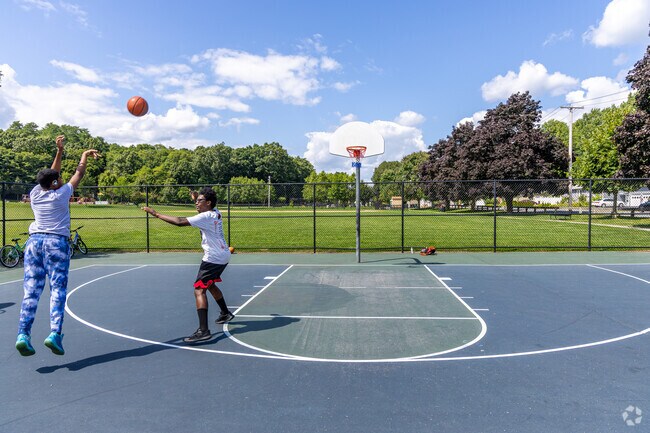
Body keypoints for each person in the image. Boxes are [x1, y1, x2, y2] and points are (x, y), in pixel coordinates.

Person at [15, 135, 101, 356]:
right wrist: (83, 156)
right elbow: (78, 174)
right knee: (57, 290)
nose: (61, 179)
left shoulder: (35, 193)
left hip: (34, 243)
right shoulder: (61, 195)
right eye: (58, 178)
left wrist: (59, 151)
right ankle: (54, 334)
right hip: (56, 243)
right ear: (54, 184)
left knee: (31, 291)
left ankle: (23, 334)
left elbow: (52, 175)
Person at [142, 187, 234, 343]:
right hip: (223, 255)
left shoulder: (206, 216)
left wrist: (155, 213)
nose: (197, 202)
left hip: (213, 258)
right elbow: (202, 212)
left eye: (200, 200)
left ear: (208, 202)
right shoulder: (216, 212)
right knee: (209, 284)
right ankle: (225, 313)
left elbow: (179, 222)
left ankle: (203, 331)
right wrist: (196, 199)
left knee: (199, 290)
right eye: (196, 200)